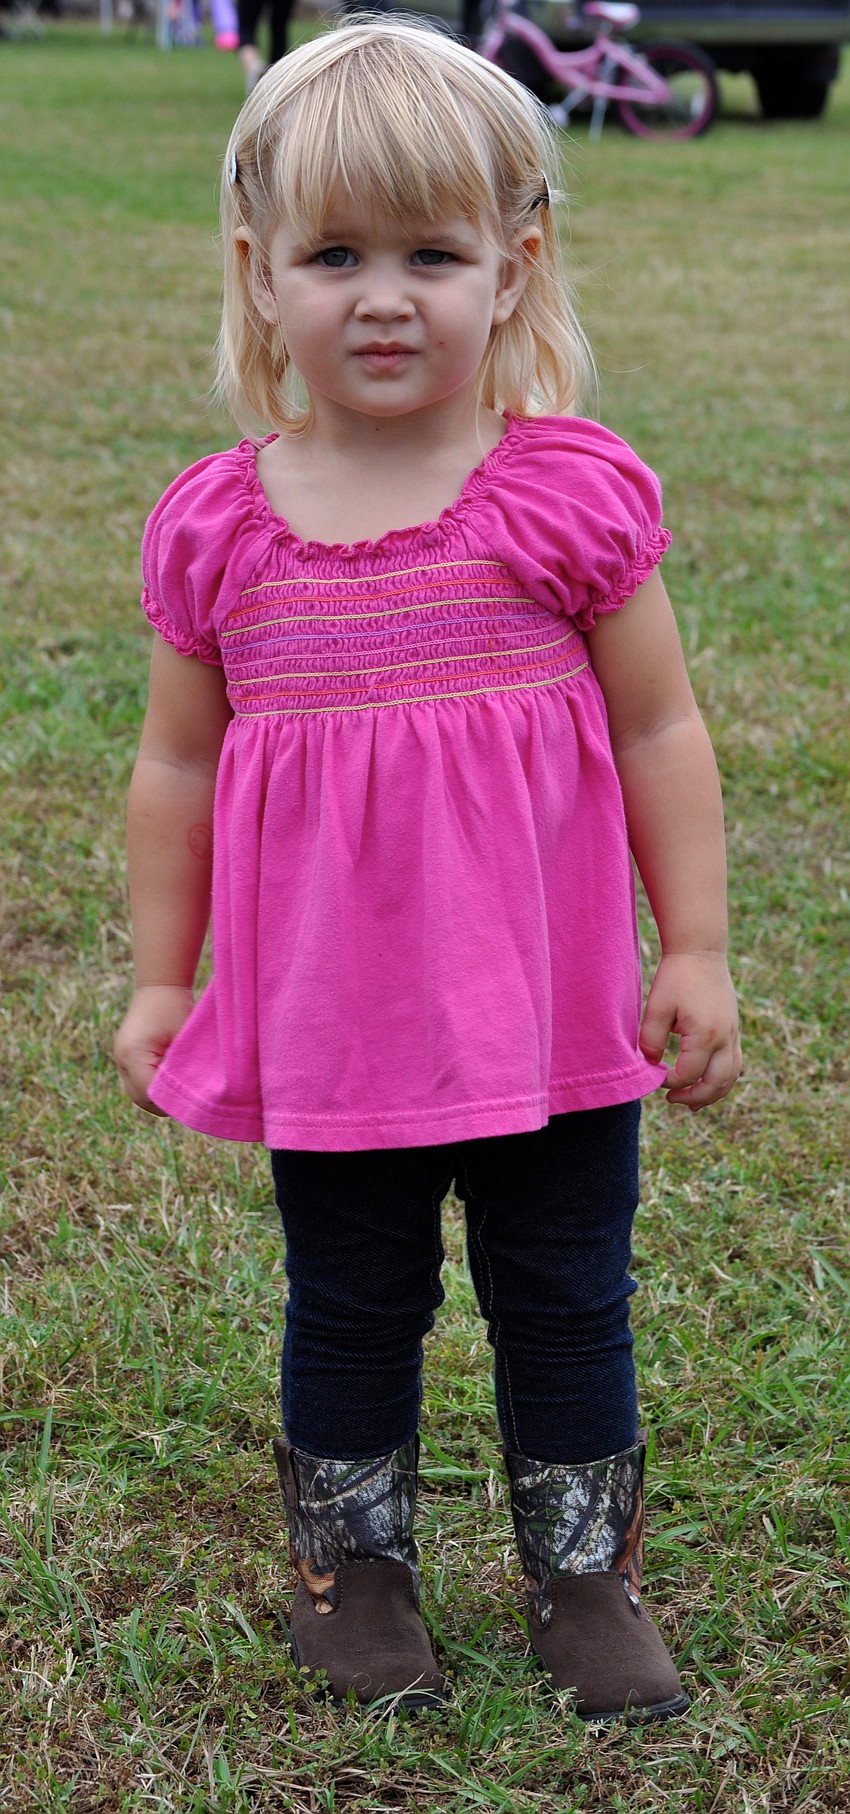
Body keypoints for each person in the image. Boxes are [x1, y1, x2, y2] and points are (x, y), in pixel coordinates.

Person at [114, 16, 741, 1720]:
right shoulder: (222, 527)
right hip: (334, 1033)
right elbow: (175, 767)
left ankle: (582, 1570)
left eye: (431, 256)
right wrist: (165, 977)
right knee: (349, 1299)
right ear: (257, 274)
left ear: (512, 265)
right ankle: (357, 1563)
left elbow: (658, 728)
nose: (382, 299)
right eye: (333, 256)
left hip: (549, 1019)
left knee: (568, 1297)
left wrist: (693, 945)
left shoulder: (563, 497)